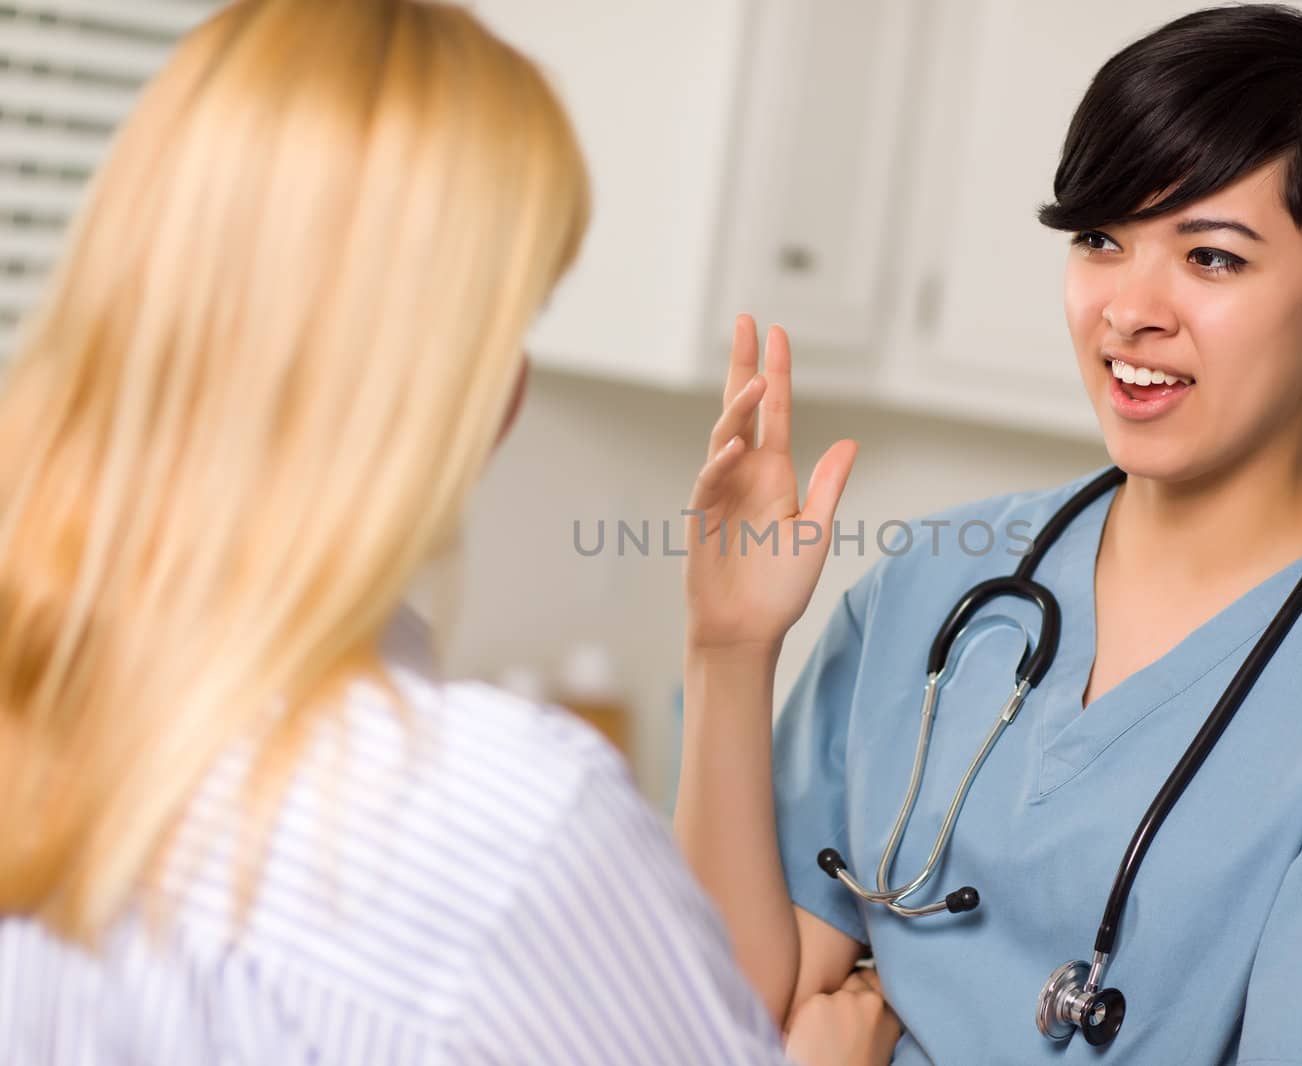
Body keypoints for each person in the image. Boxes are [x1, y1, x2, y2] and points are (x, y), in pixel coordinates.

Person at [0, 0, 895, 1062]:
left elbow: (663, 1001)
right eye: (511, 315)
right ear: (452, 378)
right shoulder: (493, 820)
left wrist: (729, 648)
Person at [676, 4, 1302, 1063]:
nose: (1129, 309)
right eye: (1100, 240)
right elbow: (720, 1009)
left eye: (1211, 258)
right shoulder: (937, 587)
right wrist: (729, 650)